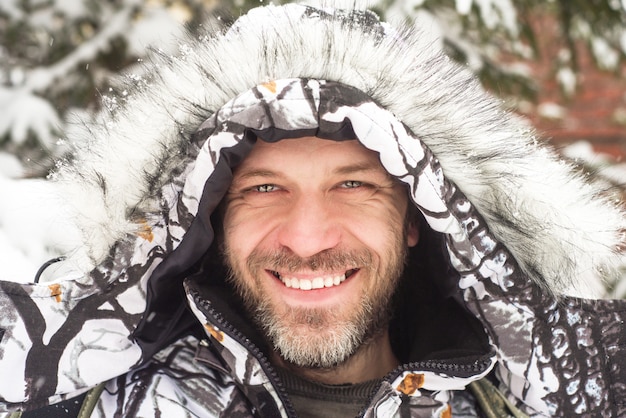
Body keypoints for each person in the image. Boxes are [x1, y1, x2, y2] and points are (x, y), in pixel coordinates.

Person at [1, 3, 625, 417]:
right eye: (263, 189)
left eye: (353, 186)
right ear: (208, 219)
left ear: (417, 218)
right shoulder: (75, 400)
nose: (305, 239)